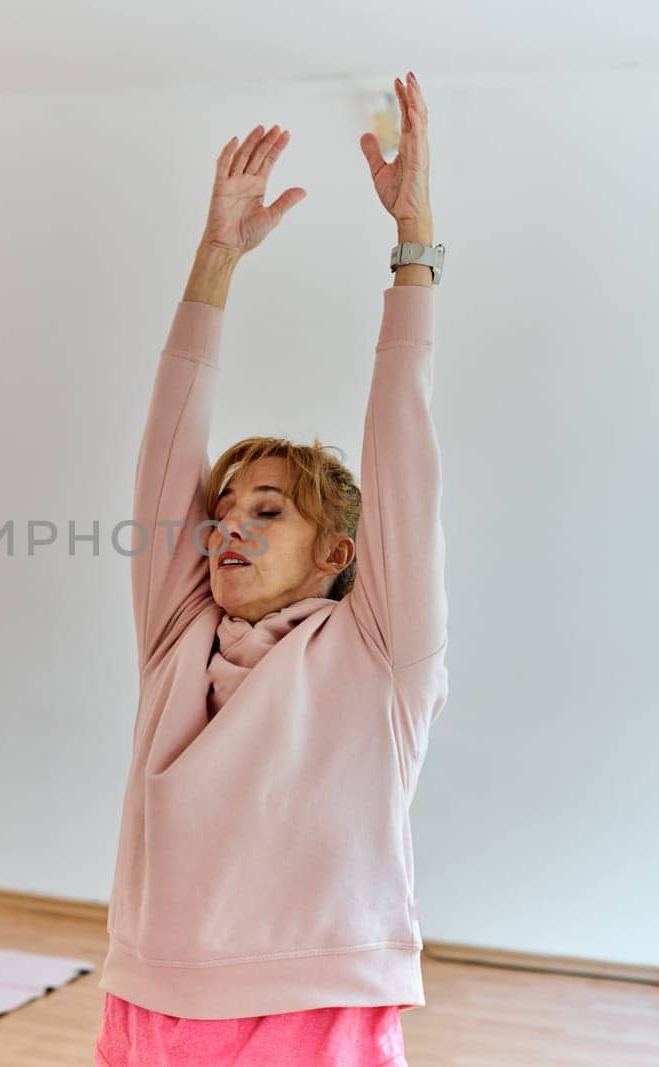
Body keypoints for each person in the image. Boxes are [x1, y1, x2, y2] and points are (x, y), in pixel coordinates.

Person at [96, 72, 445, 1067]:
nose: (228, 528)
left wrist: (412, 242)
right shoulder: (180, 637)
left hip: (313, 1005)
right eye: (222, 510)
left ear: (338, 552)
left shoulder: (380, 652)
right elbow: (166, 451)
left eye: (267, 508)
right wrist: (216, 257)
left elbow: (402, 450)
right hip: (148, 1000)